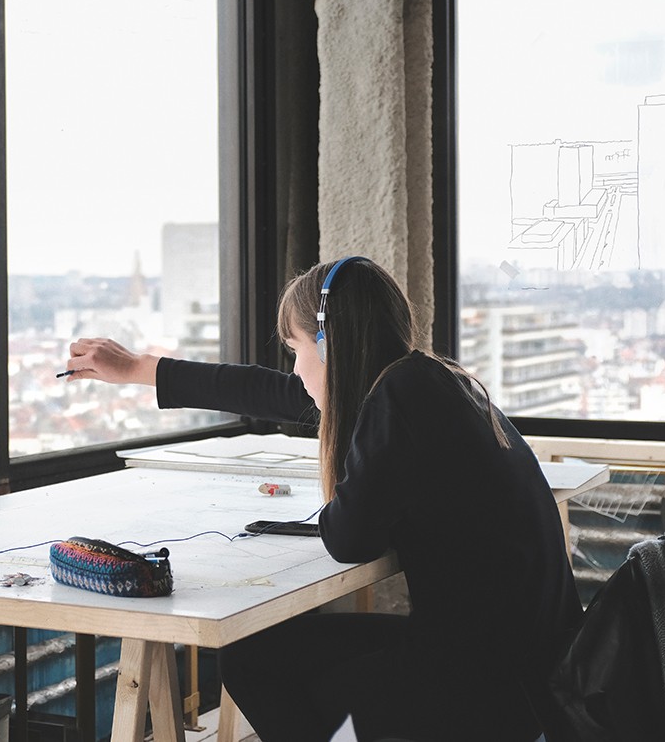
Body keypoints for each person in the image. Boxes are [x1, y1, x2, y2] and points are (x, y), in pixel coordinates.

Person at [62, 257, 581, 742]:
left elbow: (348, 538)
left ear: (329, 344)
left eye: (297, 351)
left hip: (482, 687)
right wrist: (138, 369)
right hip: (536, 670)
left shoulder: (397, 399)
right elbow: (274, 393)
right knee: (275, 656)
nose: (295, 371)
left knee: (251, 664)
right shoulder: (438, 381)